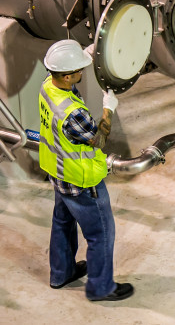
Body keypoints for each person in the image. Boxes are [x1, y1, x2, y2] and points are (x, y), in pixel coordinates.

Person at [39, 39, 133, 302]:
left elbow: (67, 65)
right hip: (81, 182)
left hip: (58, 173)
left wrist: (92, 51)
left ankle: (62, 273)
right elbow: (99, 140)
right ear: (68, 76)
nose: (82, 73)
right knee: (101, 234)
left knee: (62, 223)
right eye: (79, 70)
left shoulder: (48, 86)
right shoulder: (73, 114)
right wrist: (108, 108)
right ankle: (101, 288)